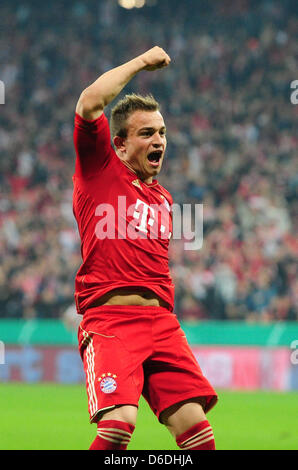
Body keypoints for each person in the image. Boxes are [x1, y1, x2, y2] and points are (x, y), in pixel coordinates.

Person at [73, 46, 218, 451]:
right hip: (112, 322)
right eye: (147, 133)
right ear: (118, 144)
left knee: (197, 431)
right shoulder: (98, 171)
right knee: (119, 425)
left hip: (163, 325)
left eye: (162, 133)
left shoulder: (164, 200)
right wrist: (140, 63)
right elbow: (90, 102)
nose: (159, 141)